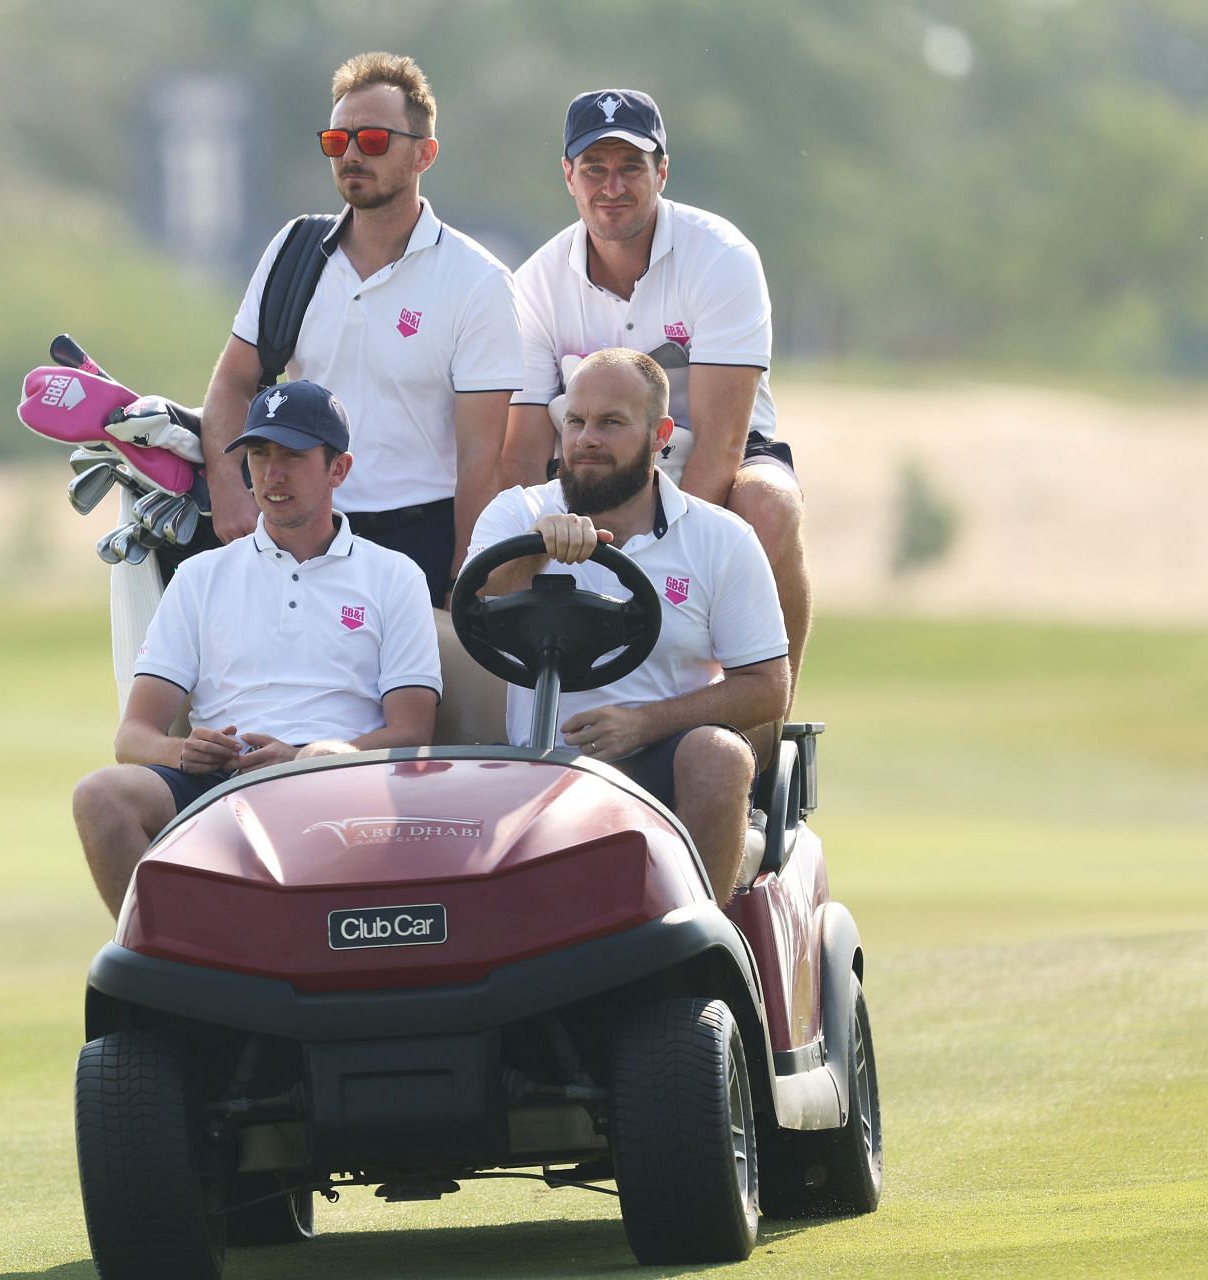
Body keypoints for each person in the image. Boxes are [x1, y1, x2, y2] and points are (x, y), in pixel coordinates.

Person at [73, 381, 441, 915]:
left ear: (338, 469)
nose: (272, 474)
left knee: (320, 759)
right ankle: (172, 966)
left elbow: (412, 731)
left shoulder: (393, 575)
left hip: (337, 777)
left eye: (293, 456)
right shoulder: (200, 575)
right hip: (218, 781)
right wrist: (183, 752)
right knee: (100, 797)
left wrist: (299, 759)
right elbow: (133, 736)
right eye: (260, 454)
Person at [502, 89, 812, 701]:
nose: (611, 186)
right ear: (569, 175)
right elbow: (523, 448)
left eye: (630, 168)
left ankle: (763, 716)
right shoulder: (536, 281)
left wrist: (658, 553)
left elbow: (722, 443)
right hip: (594, 458)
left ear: (661, 172)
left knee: (770, 506)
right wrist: (521, 531)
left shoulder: (722, 257)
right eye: (594, 168)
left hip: (716, 450)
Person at [200, 51, 523, 607]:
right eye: (337, 141)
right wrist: (231, 492)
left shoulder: (478, 280)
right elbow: (232, 382)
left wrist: (463, 575)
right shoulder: (292, 249)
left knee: (410, 699)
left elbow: (481, 456)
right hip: (303, 532)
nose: (351, 154)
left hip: (420, 539)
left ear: (425, 154)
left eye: (373, 140)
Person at [470, 349, 790, 906]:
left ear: (660, 434)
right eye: (576, 421)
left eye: (611, 423)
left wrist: (643, 725)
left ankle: (696, 954)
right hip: (529, 766)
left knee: (719, 756)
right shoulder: (515, 515)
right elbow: (477, 599)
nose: (587, 439)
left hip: (658, 767)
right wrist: (536, 552)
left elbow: (767, 687)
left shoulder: (720, 538)